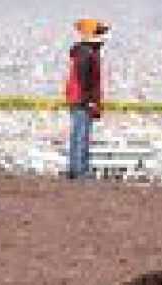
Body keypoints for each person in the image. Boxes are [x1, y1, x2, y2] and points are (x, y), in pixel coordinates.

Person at [63, 18, 107, 179]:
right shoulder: (87, 53)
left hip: (78, 97)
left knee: (77, 133)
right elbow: (85, 78)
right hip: (82, 99)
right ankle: (80, 169)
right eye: (99, 32)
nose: (103, 36)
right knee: (82, 133)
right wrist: (89, 99)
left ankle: (75, 168)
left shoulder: (84, 52)